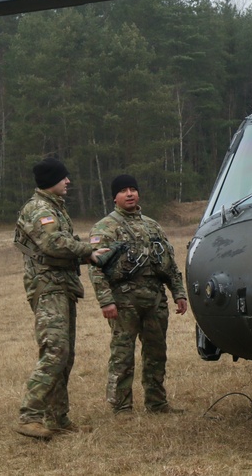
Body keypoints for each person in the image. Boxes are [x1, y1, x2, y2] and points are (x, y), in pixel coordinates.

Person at [13, 157, 106, 440]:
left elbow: (60, 248)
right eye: (64, 177)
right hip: (48, 287)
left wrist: (89, 256)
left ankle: (58, 418)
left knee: (65, 356)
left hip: (62, 285)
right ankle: (29, 416)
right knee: (55, 351)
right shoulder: (40, 209)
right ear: (51, 180)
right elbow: (52, 244)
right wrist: (86, 249)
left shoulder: (55, 208)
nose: (68, 182)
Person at [88, 174, 188, 415]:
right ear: (115, 196)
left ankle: (157, 402)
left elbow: (169, 263)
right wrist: (106, 301)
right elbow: (96, 268)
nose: (130, 193)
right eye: (124, 190)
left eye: (133, 189)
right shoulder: (105, 228)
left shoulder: (152, 225)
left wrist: (179, 293)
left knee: (157, 352)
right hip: (124, 300)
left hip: (154, 299)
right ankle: (121, 406)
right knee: (122, 354)